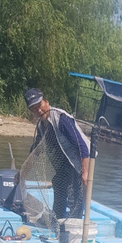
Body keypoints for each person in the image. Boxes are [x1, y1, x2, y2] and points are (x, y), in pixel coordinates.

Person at [24, 87, 90, 219]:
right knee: (58, 187)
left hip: (79, 161)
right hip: (62, 163)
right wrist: (23, 172)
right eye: (34, 108)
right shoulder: (41, 125)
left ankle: (73, 226)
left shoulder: (61, 119)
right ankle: (58, 222)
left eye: (40, 105)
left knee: (74, 195)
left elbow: (82, 146)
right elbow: (36, 151)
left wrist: (85, 172)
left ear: (46, 102)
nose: (39, 110)